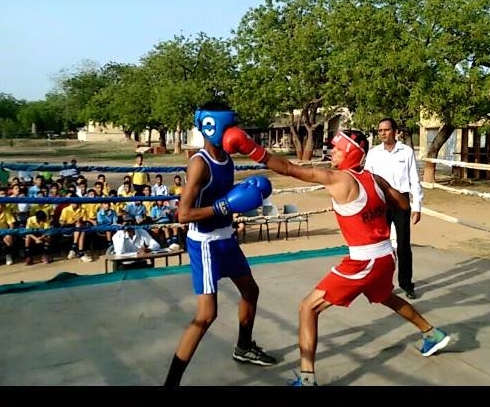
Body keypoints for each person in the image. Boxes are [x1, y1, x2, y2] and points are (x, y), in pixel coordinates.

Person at [222, 126, 451, 386]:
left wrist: (250, 147)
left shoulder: (338, 179)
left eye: (338, 149)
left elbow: (288, 168)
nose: (332, 152)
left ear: (351, 153)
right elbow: (403, 203)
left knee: (307, 308)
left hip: (363, 260)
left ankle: (307, 380)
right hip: (385, 257)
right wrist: (375, 211)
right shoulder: (375, 179)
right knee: (386, 297)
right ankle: (432, 334)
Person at [163, 101, 278, 388]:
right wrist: (224, 206)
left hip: (226, 238)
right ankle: (171, 382)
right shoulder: (199, 164)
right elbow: (183, 214)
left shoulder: (227, 159)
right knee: (207, 314)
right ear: (212, 127)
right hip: (204, 244)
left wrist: (241, 199)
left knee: (251, 290)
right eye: (229, 126)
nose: (234, 131)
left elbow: (226, 204)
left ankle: (243, 347)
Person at [363, 118, 423, 299]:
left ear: (395, 131)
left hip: (401, 201)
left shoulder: (406, 152)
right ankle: (381, 284)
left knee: (403, 245)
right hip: (381, 203)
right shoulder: (373, 154)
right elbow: (367, 179)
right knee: (380, 245)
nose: (382, 133)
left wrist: (417, 206)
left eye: (386, 130)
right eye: (380, 130)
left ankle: (406, 284)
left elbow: (414, 180)